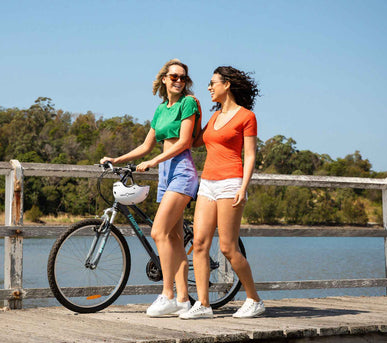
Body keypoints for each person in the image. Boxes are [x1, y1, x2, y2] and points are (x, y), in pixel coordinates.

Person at [100, 59, 200, 317]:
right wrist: (117, 159)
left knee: (158, 232)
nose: (179, 81)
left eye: (183, 78)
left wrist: (155, 160)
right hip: (165, 173)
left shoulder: (187, 103)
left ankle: (167, 294)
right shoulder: (160, 109)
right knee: (175, 238)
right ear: (165, 79)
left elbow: (185, 141)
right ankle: (182, 300)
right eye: (174, 77)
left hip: (182, 171)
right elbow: (146, 146)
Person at [180, 66, 265, 319]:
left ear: (226, 85)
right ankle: (203, 305)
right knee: (199, 244)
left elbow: (249, 155)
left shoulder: (246, 116)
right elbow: (195, 140)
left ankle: (254, 299)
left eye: (212, 83)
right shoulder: (214, 117)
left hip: (231, 183)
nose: (209, 87)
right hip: (207, 183)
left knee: (228, 248)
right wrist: (192, 110)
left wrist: (243, 186)